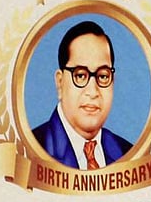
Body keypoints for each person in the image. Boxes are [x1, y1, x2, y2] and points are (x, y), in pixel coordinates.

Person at [31, 20, 134, 170]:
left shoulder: (128, 154)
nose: (93, 92)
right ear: (60, 83)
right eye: (80, 75)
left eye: (103, 76)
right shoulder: (30, 150)